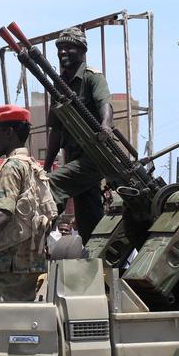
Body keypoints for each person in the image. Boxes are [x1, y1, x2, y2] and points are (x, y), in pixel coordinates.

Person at [0, 105, 58, 302]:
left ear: (9, 133)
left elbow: (4, 213)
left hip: (8, 265)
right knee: (19, 315)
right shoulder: (32, 165)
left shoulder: (12, 167)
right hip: (29, 262)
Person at [43, 26, 114, 243]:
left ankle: (39, 235)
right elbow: (56, 129)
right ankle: (95, 254)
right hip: (75, 158)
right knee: (88, 219)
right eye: (60, 48)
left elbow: (105, 103)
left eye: (68, 48)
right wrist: (46, 166)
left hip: (94, 156)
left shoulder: (92, 77)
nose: (62, 52)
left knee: (49, 186)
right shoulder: (59, 84)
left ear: (82, 50)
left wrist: (106, 125)